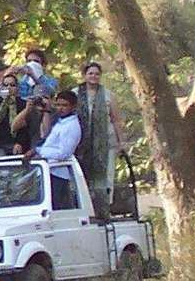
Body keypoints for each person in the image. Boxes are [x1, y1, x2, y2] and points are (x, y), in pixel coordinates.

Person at [75, 62, 125, 219]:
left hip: (105, 144)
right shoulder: (75, 94)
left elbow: (116, 120)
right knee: (83, 176)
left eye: (97, 73)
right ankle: (88, 210)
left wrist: (121, 141)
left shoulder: (109, 95)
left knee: (106, 177)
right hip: (81, 144)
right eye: (90, 73)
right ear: (84, 75)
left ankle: (104, 209)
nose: (94, 76)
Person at [27, 90, 83, 208]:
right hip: (47, 170)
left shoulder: (72, 126)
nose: (60, 108)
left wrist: (39, 151)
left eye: (65, 105)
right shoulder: (59, 122)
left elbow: (63, 152)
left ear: (72, 107)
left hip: (58, 173)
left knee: (55, 207)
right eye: (58, 105)